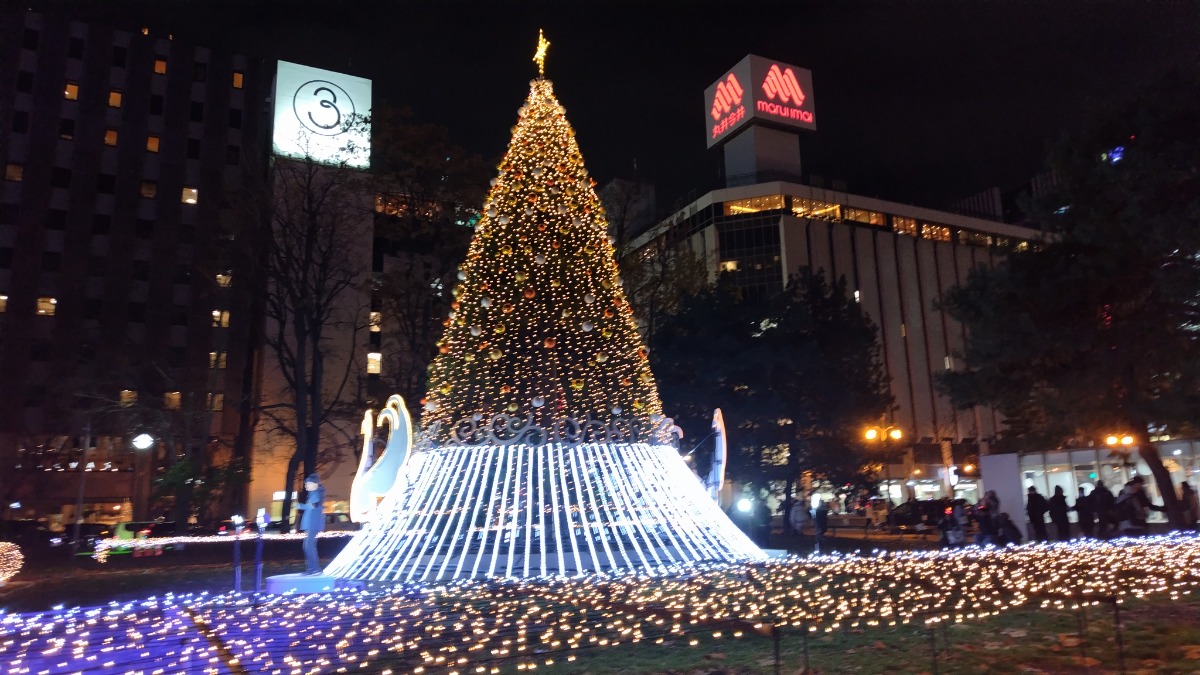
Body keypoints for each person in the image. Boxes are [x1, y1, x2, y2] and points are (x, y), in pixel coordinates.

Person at [296, 473, 325, 575]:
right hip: (312, 524)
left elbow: (312, 506)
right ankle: (312, 569)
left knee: (308, 546)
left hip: (313, 524)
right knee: (309, 546)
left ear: (315, 484)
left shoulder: (316, 494)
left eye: (308, 483)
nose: (306, 485)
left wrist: (298, 505)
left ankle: (314, 569)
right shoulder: (314, 494)